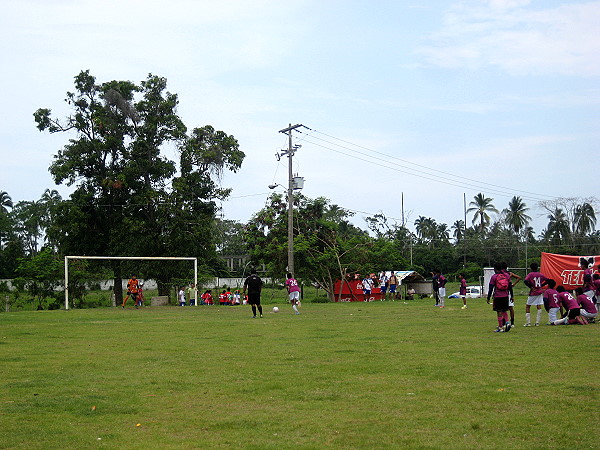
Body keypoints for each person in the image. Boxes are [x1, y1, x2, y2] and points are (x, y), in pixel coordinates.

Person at [486, 263, 512, 332]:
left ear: (495, 269)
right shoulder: (507, 275)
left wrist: (488, 297)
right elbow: (510, 286)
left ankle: (500, 327)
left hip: (497, 296)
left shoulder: (494, 277)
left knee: (499, 311)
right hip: (506, 295)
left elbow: (491, 288)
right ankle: (507, 322)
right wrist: (512, 296)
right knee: (504, 310)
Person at [523, 262, 547, 326]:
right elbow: (548, 280)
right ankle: (537, 322)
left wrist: (531, 287)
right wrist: (541, 285)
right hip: (539, 291)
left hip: (533, 292)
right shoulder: (540, 274)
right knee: (538, 305)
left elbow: (525, 281)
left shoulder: (530, 274)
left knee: (528, 306)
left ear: (531, 268)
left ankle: (528, 323)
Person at [501, 262, 522, 327]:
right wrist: (513, 284)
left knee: (503, 308)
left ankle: (504, 323)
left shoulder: (501, 274)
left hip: (503, 291)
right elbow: (519, 277)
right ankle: (512, 323)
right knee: (510, 308)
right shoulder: (509, 273)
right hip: (509, 291)